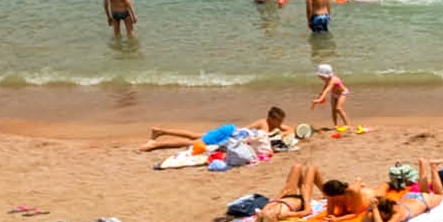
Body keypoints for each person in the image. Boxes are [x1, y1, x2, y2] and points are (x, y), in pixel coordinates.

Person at [141, 106, 290, 154]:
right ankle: (155, 145)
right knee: (193, 143)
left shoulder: (270, 124)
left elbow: (288, 129)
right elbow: (264, 138)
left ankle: (160, 132)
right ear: (272, 119)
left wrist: (283, 131)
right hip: (228, 134)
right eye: (279, 121)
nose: (281, 124)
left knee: (195, 136)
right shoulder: (264, 124)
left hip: (229, 131)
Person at [363, 164, 443, 222]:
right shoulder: (382, 210)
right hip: (410, 198)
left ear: (383, 211)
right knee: (425, 192)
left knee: (439, 194)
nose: (375, 214)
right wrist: (368, 210)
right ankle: (425, 165)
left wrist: (374, 209)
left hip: (421, 200)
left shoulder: (398, 213)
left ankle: (433, 168)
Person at [311, 63, 350, 129]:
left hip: (342, 93)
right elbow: (324, 88)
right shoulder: (327, 79)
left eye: (321, 76)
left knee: (338, 108)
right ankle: (335, 125)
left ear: (325, 75)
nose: (320, 78)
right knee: (333, 110)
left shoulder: (333, 80)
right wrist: (319, 96)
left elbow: (327, 90)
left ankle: (347, 124)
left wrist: (320, 100)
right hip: (334, 94)